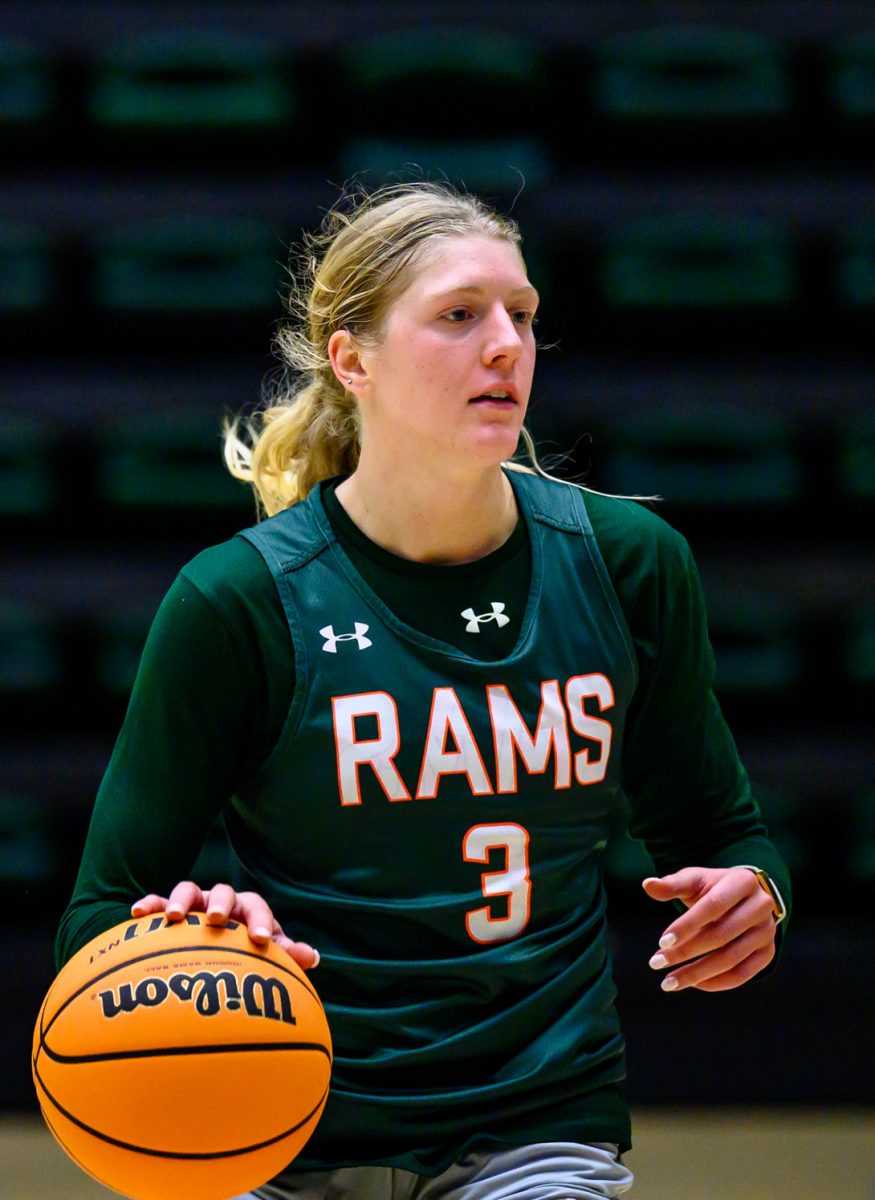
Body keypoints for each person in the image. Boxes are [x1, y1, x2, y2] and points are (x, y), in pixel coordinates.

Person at [57, 181, 790, 1199]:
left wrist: (753, 896)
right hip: (274, 1125)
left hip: (532, 1121)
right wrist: (175, 931)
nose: (506, 344)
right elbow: (96, 917)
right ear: (352, 359)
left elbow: (721, 832)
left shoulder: (628, 563)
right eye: (458, 315)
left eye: (521, 314)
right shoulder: (237, 600)